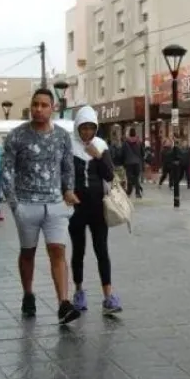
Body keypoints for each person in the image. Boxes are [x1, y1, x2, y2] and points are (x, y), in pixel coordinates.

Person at [0, 88, 80, 323]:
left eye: (44, 105)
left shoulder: (62, 137)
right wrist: (14, 203)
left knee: (58, 250)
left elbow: (68, 167)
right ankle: (28, 294)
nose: (38, 109)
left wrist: (68, 190)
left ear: (53, 108)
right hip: (26, 204)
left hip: (55, 204)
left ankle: (63, 303)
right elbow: (6, 169)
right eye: (35, 104)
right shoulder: (17, 136)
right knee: (28, 252)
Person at [69, 106, 123, 314]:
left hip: (98, 207)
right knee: (78, 251)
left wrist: (98, 156)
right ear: (78, 127)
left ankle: (108, 296)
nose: (87, 132)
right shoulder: (70, 146)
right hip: (76, 208)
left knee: (102, 250)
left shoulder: (100, 145)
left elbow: (109, 175)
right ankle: (79, 291)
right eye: (84, 128)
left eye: (91, 128)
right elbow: (64, 173)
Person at [123, 128, 144, 199]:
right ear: (135, 133)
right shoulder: (139, 142)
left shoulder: (126, 142)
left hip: (128, 163)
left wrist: (123, 162)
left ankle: (128, 192)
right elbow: (142, 153)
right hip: (137, 163)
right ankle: (137, 193)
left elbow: (122, 153)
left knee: (129, 178)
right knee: (136, 178)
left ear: (129, 134)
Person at [109, 124, 127, 190]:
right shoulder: (121, 146)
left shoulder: (112, 146)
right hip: (118, 167)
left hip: (117, 167)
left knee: (117, 186)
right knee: (119, 186)